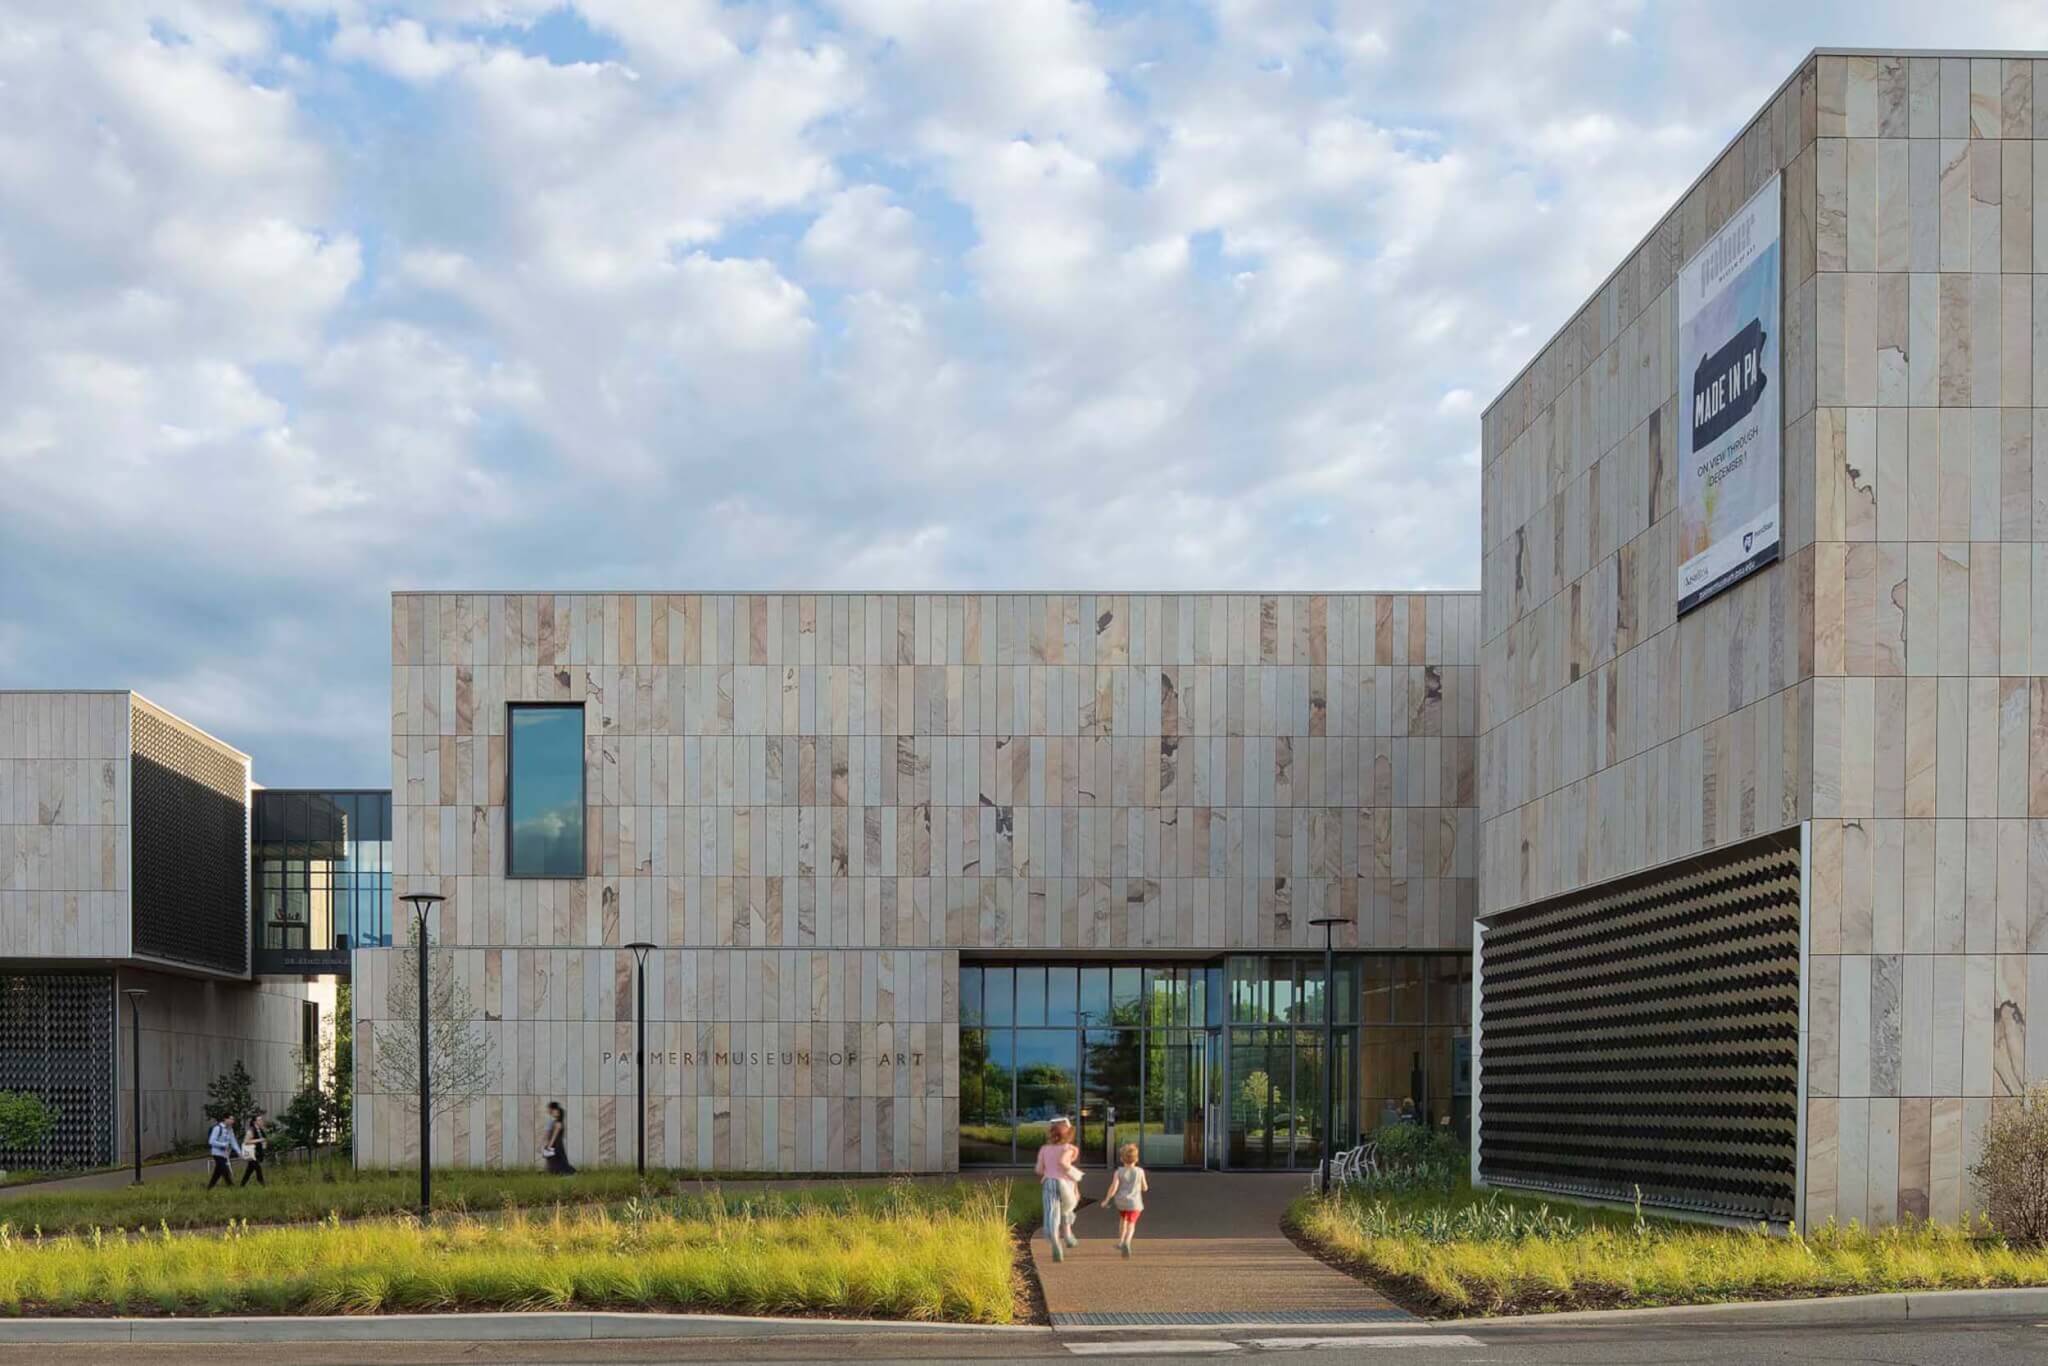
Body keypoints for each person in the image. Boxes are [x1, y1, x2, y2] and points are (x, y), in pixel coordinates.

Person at [1033, 1116, 1083, 1262]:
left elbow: (1039, 1169)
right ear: (1069, 1134)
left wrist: (1049, 1171)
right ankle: (1068, 1234)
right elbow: (1066, 1165)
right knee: (1067, 1208)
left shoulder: (1044, 1149)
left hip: (1049, 1182)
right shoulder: (1071, 1149)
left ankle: (1055, 1243)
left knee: (1051, 1213)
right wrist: (1075, 1176)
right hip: (1067, 1184)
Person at [1100, 1142, 1149, 1259]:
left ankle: (1121, 1242)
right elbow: (1145, 1187)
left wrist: (1106, 1200)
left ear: (1122, 1159)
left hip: (1121, 1202)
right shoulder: (1140, 1171)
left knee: (1123, 1220)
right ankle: (1127, 1242)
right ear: (1136, 1159)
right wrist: (1141, 1187)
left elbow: (1113, 1187)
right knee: (1131, 1224)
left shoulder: (1118, 1172)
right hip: (1135, 1203)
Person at [205, 1113, 238, 1190]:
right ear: (225, 1119)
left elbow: (233, 1142)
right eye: (231, 1119)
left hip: (224, 1154)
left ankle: (209, 1188)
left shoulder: (230, 1129)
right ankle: (232, 1187)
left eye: (233, 1119)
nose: (232, 1121)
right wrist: (223, 1144)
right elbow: (211, 1141)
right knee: (225, 1170)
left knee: (217, 1173)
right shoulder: (217, 1128)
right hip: (216, 1153)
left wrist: (239, 1152)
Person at [542, 1101, 575, 1175]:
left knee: (557, 1160)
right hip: (557, 1144)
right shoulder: (557, 1123)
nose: (553, 1113)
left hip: (556, 1145)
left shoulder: (558, 1124)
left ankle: (566, 1172)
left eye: (556, 1112)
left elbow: (554, 1136)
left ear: (559, 1114)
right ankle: (555, 1172)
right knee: (555, 1159)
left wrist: (549, 1145)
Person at [239, 1110, 269, 1186]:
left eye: (261, 1119)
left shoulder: (261, 1130)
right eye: (259, 1120)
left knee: (249, 1170)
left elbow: (264, 1139)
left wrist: (264, 1144)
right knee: (258, 1168)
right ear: (255, 1122)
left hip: (258, 1152)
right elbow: (246, 1141)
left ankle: (242, 1184)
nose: (261, 1121)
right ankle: (262, 1184)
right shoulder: (251, 1130)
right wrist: (260, 1140)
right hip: (252, 1153)